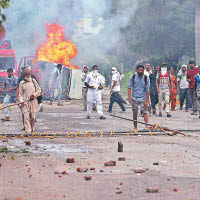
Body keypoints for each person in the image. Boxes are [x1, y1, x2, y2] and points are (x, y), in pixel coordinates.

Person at [18, 67, 41, 134]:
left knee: (33, 117)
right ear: (23, 76)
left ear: (29, 74)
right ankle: (28, 132)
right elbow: (20, 94)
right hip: (25, 102)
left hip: (33, 102)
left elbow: (39, 91)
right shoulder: (21, 83)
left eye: (28, 75)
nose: (27, 76)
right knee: (26, 117)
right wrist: (21, 101)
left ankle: (31, 128)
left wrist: (34, 95)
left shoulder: (33, 81)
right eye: (25, 75)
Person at [128, 65, 150, 132]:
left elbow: (147, 90)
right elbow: (129, 88)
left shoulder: (146, 78)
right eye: (139, 70)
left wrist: (146, 101)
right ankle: (135, 128)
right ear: (137, 70)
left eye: (142, 70)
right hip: (134, 98)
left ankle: (147, 126)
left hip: (143, 98)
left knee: (145, 112)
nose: (140, 71)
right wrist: (129, 98)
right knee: (135, 113)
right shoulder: (133, 77)